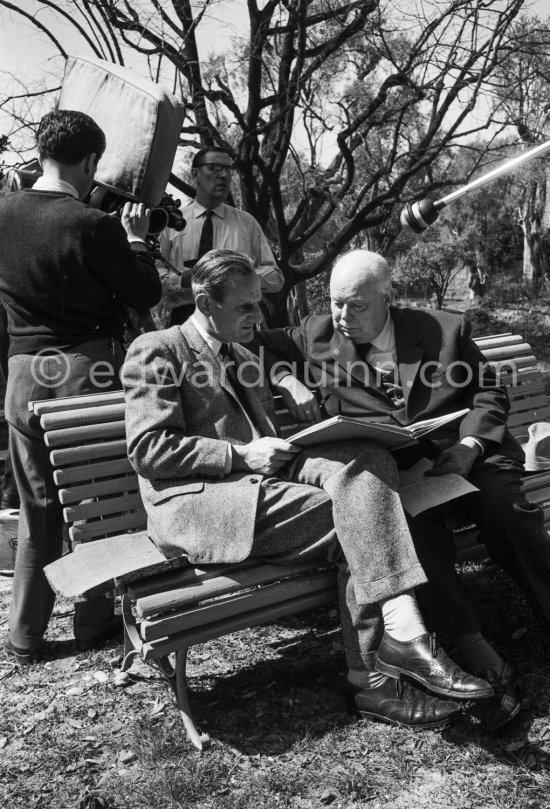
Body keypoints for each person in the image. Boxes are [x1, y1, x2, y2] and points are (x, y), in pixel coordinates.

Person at [122, 248, 493, 731]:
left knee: (370, 463)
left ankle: (396, 651)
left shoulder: (240, 348)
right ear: (204, 302)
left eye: (259, 303)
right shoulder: (158, 349)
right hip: (201, 502)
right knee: (357, 515)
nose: (258, 315)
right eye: (245, 307)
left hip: (260, 484)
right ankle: (382, 667)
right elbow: (148, 448)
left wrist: (283, 381)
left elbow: (274, 364)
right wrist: (239, 455)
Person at [254, 249, 549, 730]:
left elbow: (489, 391)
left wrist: (471, 445)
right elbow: (246, 347)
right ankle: (470, 645)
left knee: (508, 510)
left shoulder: (441, 330)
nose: (342, 317)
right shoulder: (316, 333)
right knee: (408, 528)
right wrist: (287, 376)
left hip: (463, 454)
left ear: (387, 298)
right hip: (400, 472)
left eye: (356, 305)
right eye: (334, 303)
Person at [0, 110, 162, 664]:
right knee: (96, 503)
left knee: (37, 506)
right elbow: (141, 292)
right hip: (82, 370)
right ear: (92, 160)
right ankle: (93, 620)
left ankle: (25, 635)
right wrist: (136, 241)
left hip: (22, 375)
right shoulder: (93, 226)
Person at [153, 147, 284, 327]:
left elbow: (275, 277)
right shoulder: (169, 222)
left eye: (228, 170)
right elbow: (152, 278)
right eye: (214, 168)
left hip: (236, 321)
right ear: (195, 174)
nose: (224, 175)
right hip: (181, 323)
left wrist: (235, 279)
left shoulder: (246, 223)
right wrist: (183, 280)